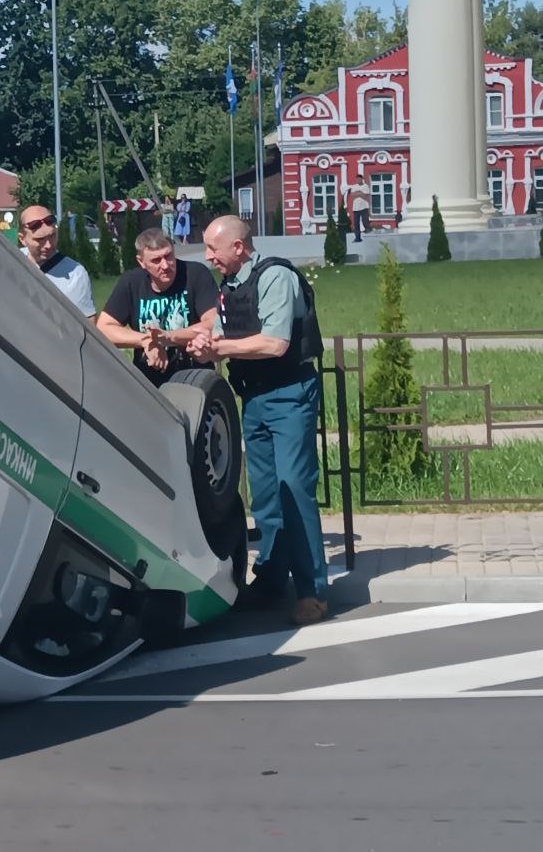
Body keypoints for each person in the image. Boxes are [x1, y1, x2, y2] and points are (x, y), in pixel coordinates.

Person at [187, 217, 328, 626]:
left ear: (238, 247)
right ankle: (271, 579)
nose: (208, 258)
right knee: (266, 495)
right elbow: (217, 327)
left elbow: (275, 341)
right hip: (255, 397)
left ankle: (312, 592)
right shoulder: (231, 286)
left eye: (213, 249)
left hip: (289, 395)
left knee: (295, 490)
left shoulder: (276, 276)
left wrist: (220, 347)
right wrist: (196, 339)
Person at [97, 228, 218, 387]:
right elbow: (104, 328)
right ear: (141, 262)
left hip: (194, 375)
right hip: (148, 379)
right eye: (156, 260)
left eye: (168, 256)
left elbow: (214, 323)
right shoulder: (132, 282)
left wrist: (167, 337)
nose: (165, 265)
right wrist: (146, 341)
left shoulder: (195, 274)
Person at [17, 205, 96, 320]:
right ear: (22, 239)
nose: (48, 245)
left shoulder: (75, 274)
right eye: (40, 239)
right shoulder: (12, 261)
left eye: (52, 236)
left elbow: (89, 325)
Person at [344, 173, 371, 242]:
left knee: (365, 222)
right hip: (356, 208)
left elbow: (366, 195)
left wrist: (359, 193)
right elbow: (352, 194)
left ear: (362, 179)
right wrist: (360, 193)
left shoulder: (365, 186)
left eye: (359, 179)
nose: (358, 180)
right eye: (357, 179)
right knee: (356, 223)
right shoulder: (354, 186)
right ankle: (357, 237)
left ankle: (369, 235)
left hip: (364, 207)